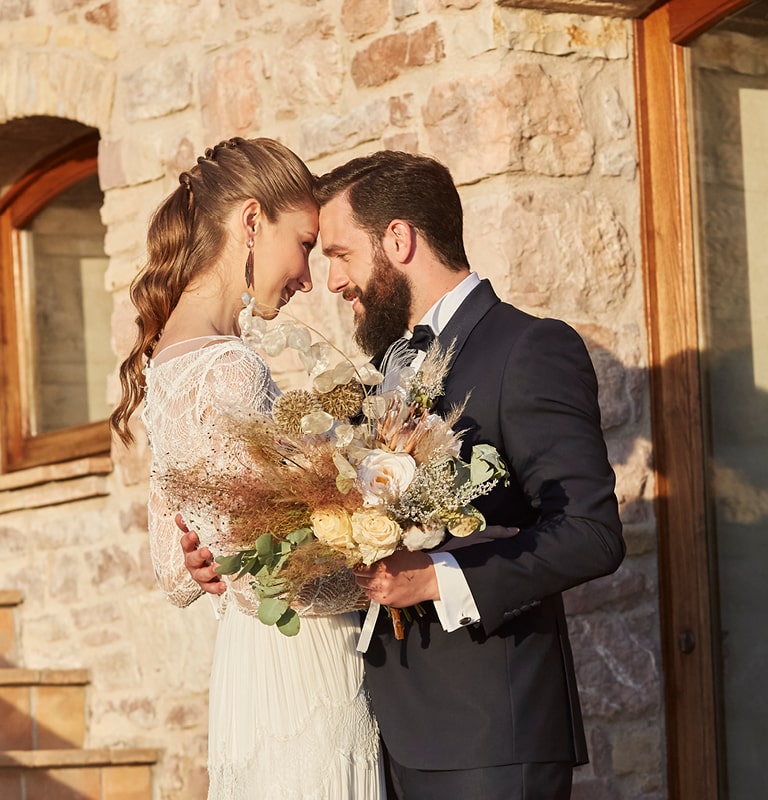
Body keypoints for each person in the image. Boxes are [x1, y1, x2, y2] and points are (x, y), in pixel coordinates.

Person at [184, 149, 625, 799]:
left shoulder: (530, 348)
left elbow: (591, 533)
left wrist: (438, 579)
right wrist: (243, 553)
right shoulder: (385, 371)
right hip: (383, 734)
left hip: (488, 740)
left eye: (339, 253)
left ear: (399, 239)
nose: (330, 280)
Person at [111, 137, 385, 800]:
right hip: (301, 668)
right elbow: (281, 578)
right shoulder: (230, 366)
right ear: (252, 222)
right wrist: (384, 563)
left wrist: (208, 562)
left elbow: (175, 572)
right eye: (303, 244)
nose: (307, 277)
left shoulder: (167, 362)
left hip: (246, 671)